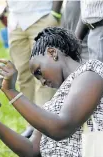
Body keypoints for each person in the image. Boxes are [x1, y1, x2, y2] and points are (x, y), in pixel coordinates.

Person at [0, 27, 103, 157]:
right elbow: (32, 150)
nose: (42, 81)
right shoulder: (54, 103)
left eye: (39, 72)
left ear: (52, 53)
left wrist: (10, 91)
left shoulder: (91, 74)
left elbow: (61, 128)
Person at [6, 1, 63, 138]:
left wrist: (54, 14)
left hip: (42, 16)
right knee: (22, 76)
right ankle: (31, 126)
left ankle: (44, 127)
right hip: (16, 22)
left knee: (44, 75)